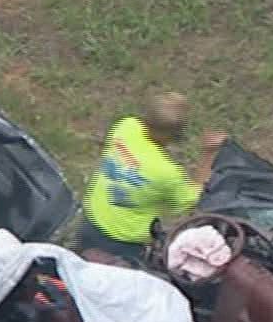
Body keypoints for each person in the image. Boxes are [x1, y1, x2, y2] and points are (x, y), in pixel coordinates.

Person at [77, 92, 226, 263]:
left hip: (91, 220)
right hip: (124, 241)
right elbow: (192, 200)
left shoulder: (124, 127)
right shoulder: (165, 172)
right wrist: (209, 153)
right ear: (176, 133)